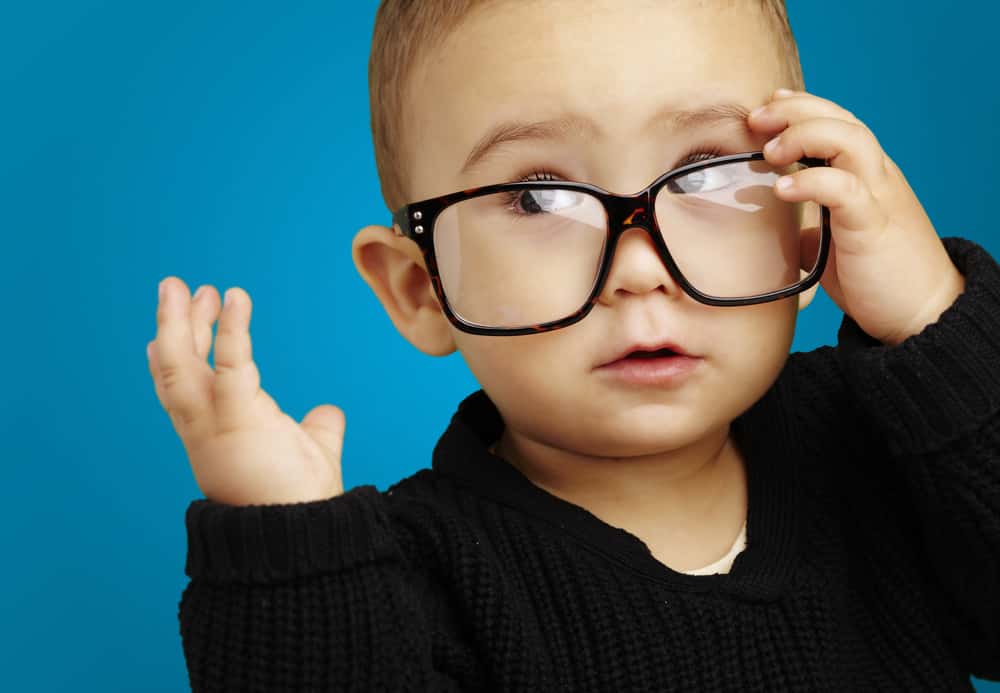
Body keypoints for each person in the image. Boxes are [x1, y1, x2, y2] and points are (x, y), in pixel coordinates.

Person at [149, 1, 1000, 690]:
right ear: (421, 289)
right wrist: (290, 551)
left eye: (706, 173)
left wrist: (935, 321)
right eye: (537, 196)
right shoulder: (407, 579)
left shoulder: (889, 439)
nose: (637, 267)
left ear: (809, 226)